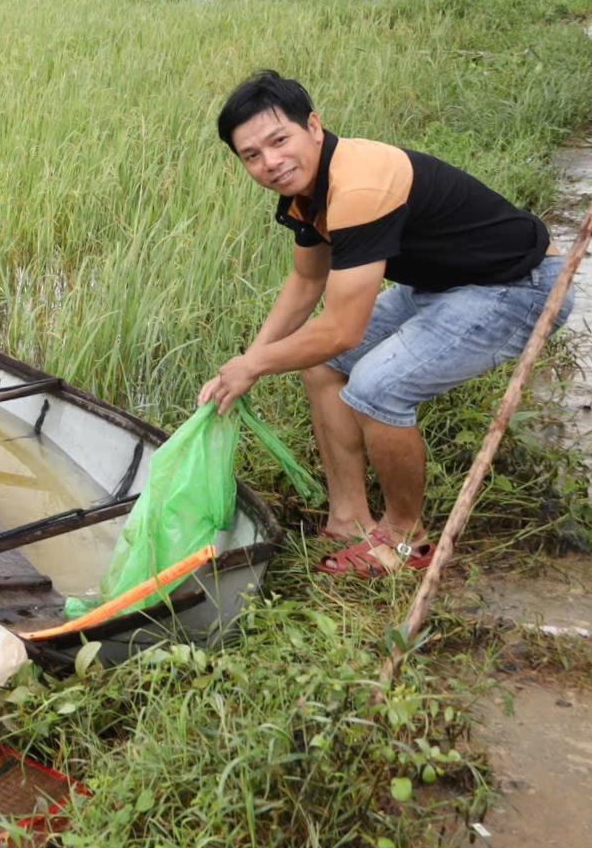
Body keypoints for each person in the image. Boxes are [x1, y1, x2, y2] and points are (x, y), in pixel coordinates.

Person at [198, 71, 569, 575]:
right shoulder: (310, 191)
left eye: (279, 140)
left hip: (520, 286)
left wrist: (255, 365)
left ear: (314, 126)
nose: (271, 163)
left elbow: (343, 329)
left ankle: (403, 542)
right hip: (444, 286)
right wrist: (246, 362)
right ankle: (348, 518)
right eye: (252, 156)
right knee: (324, 365)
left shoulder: (360, 183)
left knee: (377, 386)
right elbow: (306, 283)